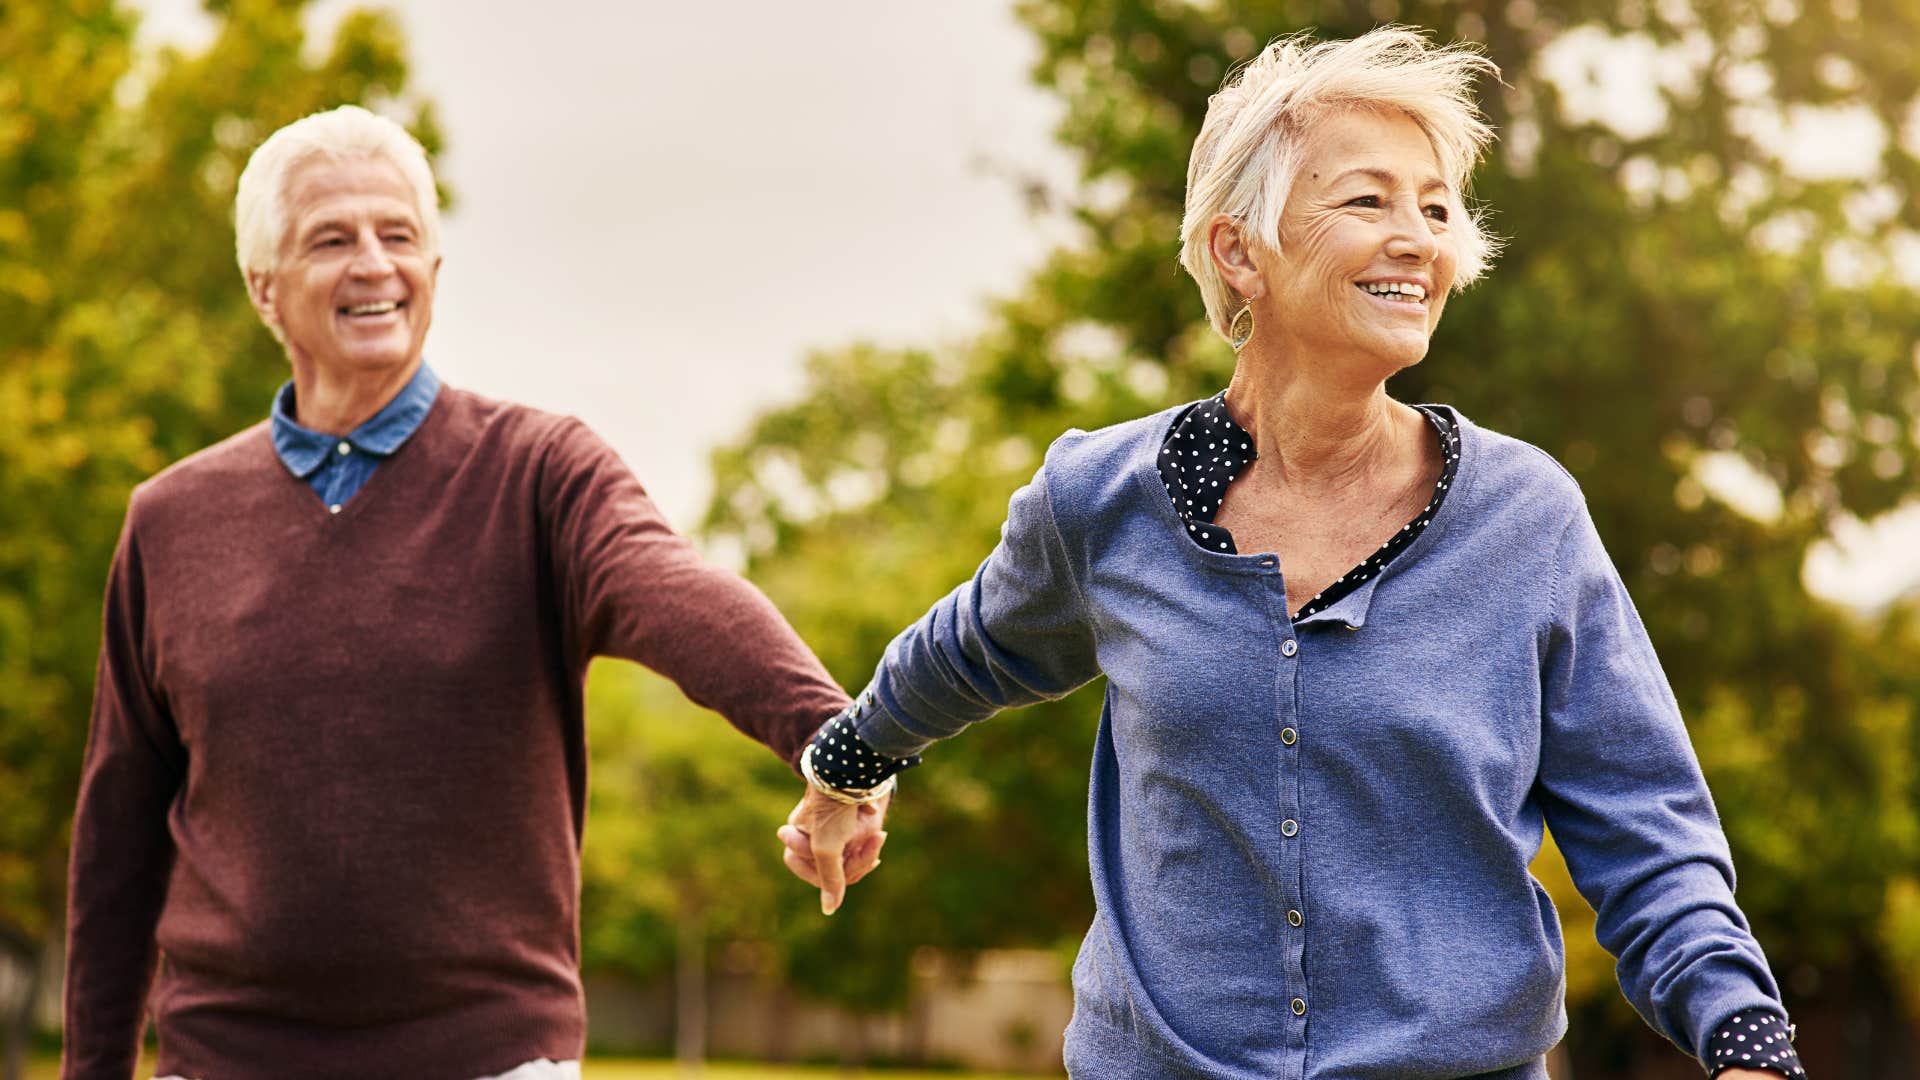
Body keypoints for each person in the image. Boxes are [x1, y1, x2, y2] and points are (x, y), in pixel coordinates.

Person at [780, 28, 1802, 1080]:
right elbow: (969, 650)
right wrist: (847, 769)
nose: (1417, 238)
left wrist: (1745, 1042)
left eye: (1437, 208)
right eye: (1368, 201)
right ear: (1238, 251)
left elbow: (1647, 829)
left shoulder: (1526, 520)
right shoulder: (1103, 504)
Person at [61, 104, 885, 1080]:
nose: (374, 263)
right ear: (264, 289)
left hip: (490, 1059)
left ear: (434, 273)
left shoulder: (541, 473)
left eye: (399, 234)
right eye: (332, 238)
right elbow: (117, 840)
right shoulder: (171, 521)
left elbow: (674, 593)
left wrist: (845, 745)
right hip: (224, 1060)